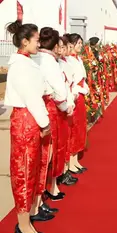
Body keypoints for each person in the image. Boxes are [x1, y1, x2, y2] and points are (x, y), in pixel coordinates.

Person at [5, 20, 50, 233]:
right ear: (25, 41)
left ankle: (27, 217)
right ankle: (23, 225)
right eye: (36, 39)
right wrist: (44, 123)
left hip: (29, 119)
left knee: (30, 170)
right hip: (26, 120)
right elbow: (32, 98)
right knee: (23, 172)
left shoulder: (27, 63)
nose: (38, 43)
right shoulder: (22, 66)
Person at [36, 27, 70, 206]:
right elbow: (60, 91)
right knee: (49, 153)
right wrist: (65, 105)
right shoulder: (49, 62)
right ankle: (43, 195)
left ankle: (42, 196)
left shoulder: (37, 58)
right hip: (51, 109)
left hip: (40, 108)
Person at [57, 35, 79, 186]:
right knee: (61, 141)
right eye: (65, 47)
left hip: (69, 101)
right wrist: (66, 104)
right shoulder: (53, 64)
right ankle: (61, 173)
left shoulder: (66, 61)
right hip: (61, 106)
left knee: (71, 134)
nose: (66, 50)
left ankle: (67, 167)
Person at [67, 33, 89, 174]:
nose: (80, 46)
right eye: (78, 43)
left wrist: (85, 88)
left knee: (80, 127)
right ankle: (70, 162)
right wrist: (81, 89)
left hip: (81, 95)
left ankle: (75, 160)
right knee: (74, 128)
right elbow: (71, 82)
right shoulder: (68, 61)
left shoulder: (79, 59)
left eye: (81, 43)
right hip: (75, 95)